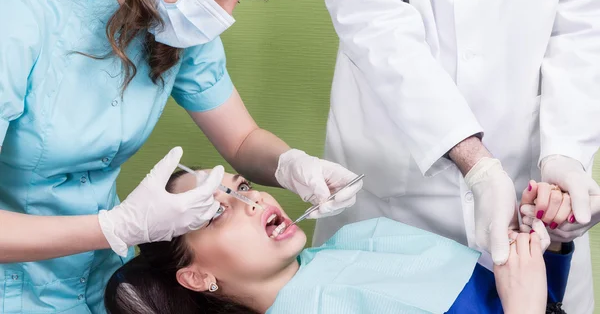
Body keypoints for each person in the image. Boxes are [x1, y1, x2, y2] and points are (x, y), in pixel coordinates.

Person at [0, 0, 363, 312]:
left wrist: (290, 164)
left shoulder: (174, 23)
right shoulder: (18, 16)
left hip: (99, 279)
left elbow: (241, 140)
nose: (226, 14)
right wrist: (117, 227)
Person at [311, 0, 600, 311]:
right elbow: (373, 20)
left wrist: (566, 151)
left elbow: (587, 24)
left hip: (529, 182)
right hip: (399, 188)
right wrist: (477, 166)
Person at [104, 169, 581, 314]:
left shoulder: (361, 236)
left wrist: (551, 244)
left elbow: (535, 296)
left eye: (241, 187)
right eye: (214, 211)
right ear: (196, 275)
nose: (251, 201)